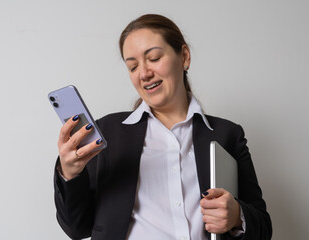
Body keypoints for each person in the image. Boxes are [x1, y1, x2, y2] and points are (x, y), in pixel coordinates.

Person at [54, 14, 272, 240]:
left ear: (184, 57)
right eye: (133, 66)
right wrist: (70, 174)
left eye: (154, 58)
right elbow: (76, 228)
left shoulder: (228, 135)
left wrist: (237, 217)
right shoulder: (107, 133)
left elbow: (264, 229)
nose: (144, 73)